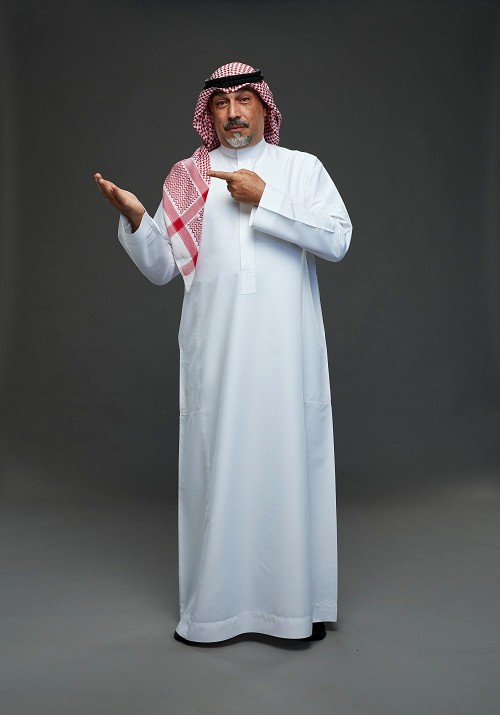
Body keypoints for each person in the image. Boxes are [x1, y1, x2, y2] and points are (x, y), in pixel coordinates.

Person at [94, 62, 352, 645]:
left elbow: (337, 240)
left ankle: (296, 609)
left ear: (264, 106)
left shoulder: (301, 169)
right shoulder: (189, 177)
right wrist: (136, 218)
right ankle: (215, 611)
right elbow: (162, 268)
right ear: (208, 114)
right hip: (216, 357)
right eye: (221, 103)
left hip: (287, 357)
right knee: (219, 471)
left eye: (244, 99)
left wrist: (266, 199)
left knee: (288, 467)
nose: (233, 112)